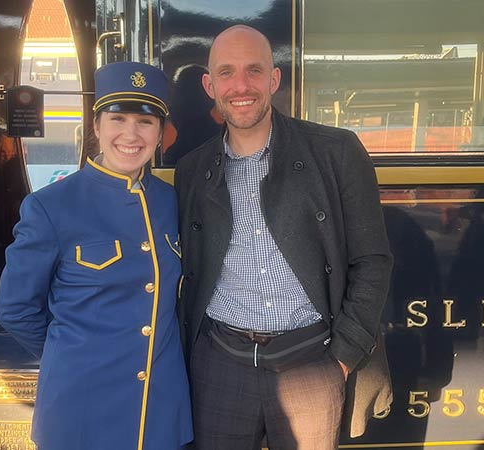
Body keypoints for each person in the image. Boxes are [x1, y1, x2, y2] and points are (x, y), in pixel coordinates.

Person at [174, 25, 393, 450]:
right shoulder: (191, 171)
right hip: (219, 365)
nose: (241, 86)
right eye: (226, 72)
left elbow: (373, 260)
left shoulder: (336, 152)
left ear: (274, 79)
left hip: (312, 362)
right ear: (209, 86)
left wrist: (342, 358)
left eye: (254, 70)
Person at [0, 61, 193, 450]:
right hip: (82, 408)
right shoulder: (51, 206)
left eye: (145, 122)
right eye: (118, 119)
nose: (131, 135)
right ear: (96, 126)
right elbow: (15, 309)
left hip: (158, 410)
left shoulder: (170, 201)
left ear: (161, 134)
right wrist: (73, 355)